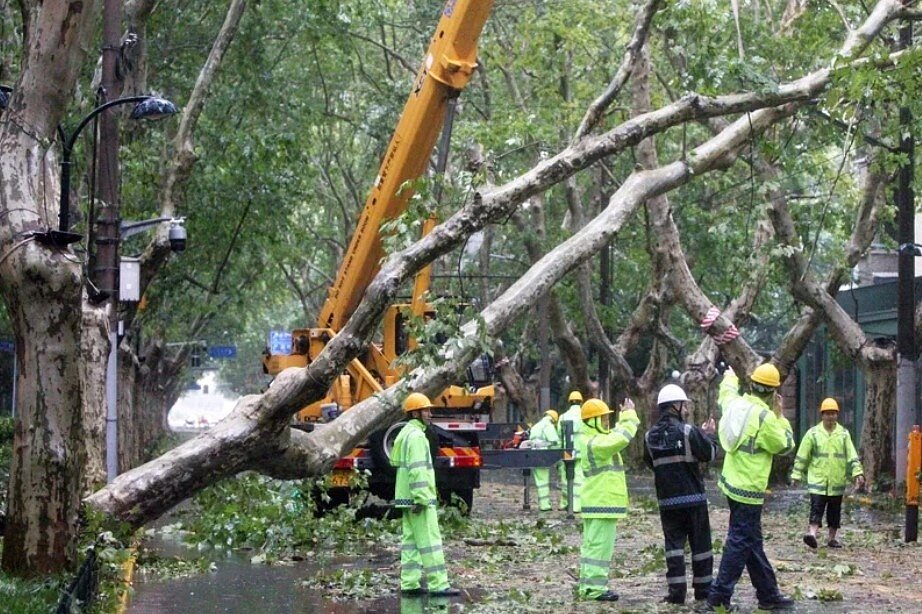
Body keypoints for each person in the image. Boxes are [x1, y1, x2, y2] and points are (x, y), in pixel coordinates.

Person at [706, 364, 796, 611]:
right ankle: (718, 598)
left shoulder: (735, 404)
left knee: (751, 541)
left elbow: (726, 392)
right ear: (772, 392)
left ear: (751, 384)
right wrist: (780, 415)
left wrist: (730, 376)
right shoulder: (765, 417)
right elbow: (786, 444)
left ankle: (768, 594)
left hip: (731, 483)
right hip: (749, 489)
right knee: (740, 542)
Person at [644, 384, 719, 605]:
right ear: (676, 406)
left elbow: (651, 463)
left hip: (667, 502)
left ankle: (676, 592)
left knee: (674, 548)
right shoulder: (687, 431)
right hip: (693, 500)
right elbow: (710, 453)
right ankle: (703, 590)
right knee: (701, 546)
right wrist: (709, 435)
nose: (686, 408)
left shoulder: (649, 437)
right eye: (684, 404)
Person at [392, 392, 460, 597]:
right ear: (415, 413)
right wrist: (421, 498)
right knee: (430, 542)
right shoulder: (417, 437)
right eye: (426, 410)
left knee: (410, 543)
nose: (430, 413)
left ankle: (409, 584)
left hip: (406, 498)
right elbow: (417, 470)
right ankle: (439, 585)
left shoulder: (404, 433)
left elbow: (397, 464)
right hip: (418, 499)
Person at [576, 397, 639, 601]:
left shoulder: (592, 438)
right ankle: (595, 589)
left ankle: (588, 586)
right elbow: (619, 439)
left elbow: (613, 436)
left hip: (597, 502)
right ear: (592, 420)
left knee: (592, 546)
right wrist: (630, 416)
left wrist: (622, 419)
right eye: (602, 418)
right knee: (599, 548)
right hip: (601, 502)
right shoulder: (594, 442)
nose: (605, 422)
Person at [791, 397, 865, 549]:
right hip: (818, 480)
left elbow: (851, 454)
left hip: (837, 481)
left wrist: (858, 473)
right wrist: (796, 474)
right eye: (827, 414)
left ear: (837, 415)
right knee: (816, 507)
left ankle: (832, 538)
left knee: (834, 512)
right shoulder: (813, 434)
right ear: (822, 415)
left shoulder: (843, 434)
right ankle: (811, 534)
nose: (830, 417)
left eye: (833, 413)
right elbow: (802, 455)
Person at [557, 391, 585, 512]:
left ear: (569, 402)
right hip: (582, 451)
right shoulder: (585, 415)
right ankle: (577, 506)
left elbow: (559, 434)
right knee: (579, 478)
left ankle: (565, 503)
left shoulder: (563, 416)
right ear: (581, 401)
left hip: (567, 451)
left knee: (565, 477)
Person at [528, 409, 560, 512]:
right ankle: (545, 505)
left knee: (539, 481)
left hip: (534, 454)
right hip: (542, 455)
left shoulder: (537, 425)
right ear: (553, 420)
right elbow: (554, 441)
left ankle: (543, 504)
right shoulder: (548, 425)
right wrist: (558, 456)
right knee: (544, 481)